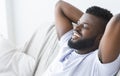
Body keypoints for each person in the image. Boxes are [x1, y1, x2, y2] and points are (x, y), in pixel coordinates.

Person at [42, 1, 120, 76]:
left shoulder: (98, 65)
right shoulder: (67, 46)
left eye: (85, 27)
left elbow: (117, 21)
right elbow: (60, 6)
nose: (76, 28)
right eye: (78, 23)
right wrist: (87, 21)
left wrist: (94, 24)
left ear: (101, 38)